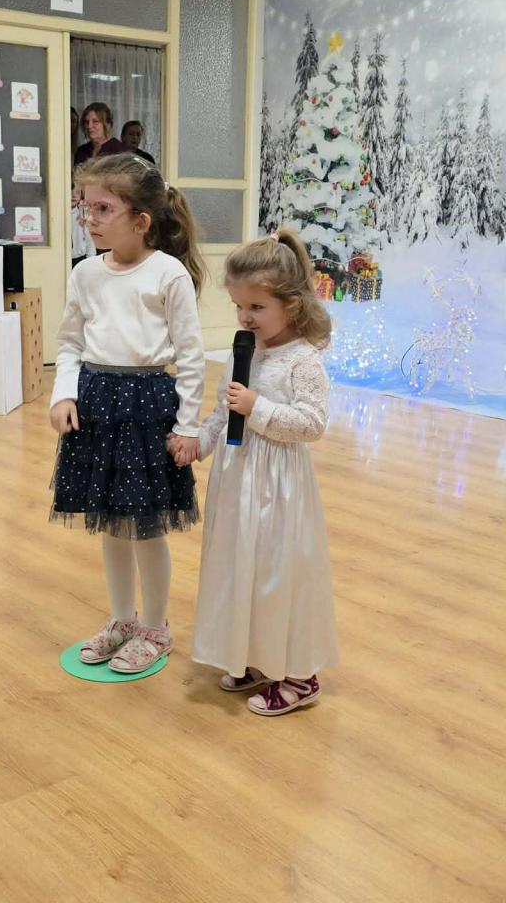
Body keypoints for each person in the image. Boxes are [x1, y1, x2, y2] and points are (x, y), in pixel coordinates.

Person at [49, 153, 206, 674]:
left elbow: (191, 358)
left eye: (102, 208)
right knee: (111, 523)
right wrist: (63, 395)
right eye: (85, 207)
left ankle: (155, 628)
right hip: (97, 407)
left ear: (140, 220)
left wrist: (187, 426)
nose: (89, 219)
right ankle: (121, 619)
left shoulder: (168, 274)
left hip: (146, 410)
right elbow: (70, 343)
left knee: (145, 524)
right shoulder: (85, 273)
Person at [172, 229, 338, 715]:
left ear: (292, 304)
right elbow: (222, 412)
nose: (245, 317)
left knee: (274, 573)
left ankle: (299, 675)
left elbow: (312, 424)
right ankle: (252, 655)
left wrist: (257, 407)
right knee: (237, 565)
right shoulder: (244, 350)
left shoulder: (303, 360)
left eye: (257, 307)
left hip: (278, 488)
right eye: (239, 306)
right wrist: (198, 444)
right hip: (237, 482)